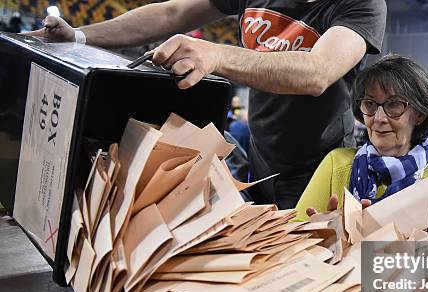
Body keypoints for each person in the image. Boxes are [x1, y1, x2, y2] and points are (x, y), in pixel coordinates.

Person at [31, 0, 387, 209]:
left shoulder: (361, 5)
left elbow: (318, 72)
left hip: (320, 165)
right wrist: (79, 36)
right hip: (262, 158)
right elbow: (172, 14)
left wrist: (216, 54)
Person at [294, 54, 428, 222]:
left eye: (394, 104)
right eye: (370, 104)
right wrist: (320, 235)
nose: (378, 118)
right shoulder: (336, 164)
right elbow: (293, 234)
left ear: (420, 114)